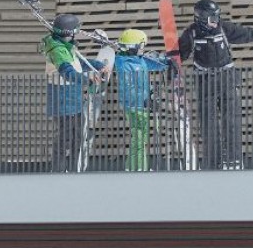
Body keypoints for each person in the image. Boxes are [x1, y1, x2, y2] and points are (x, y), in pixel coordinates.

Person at [179, 0, 253, 169]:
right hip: (205, 82)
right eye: (213, 19)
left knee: (231, 121)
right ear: (201, 19)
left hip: (227, 78)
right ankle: (213, 162)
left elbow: (252, 34)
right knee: (208, 124)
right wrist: (169, 65)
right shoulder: (192, 33)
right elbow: (179, 54)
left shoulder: (224, 28)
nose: (216, 22)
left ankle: (234, 160)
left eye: (217, 18)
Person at [42, 12, 107, 172]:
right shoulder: (58, 51)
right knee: (64, 139)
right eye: (76, 30)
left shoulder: (66, 47)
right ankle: (58, 170)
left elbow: (78, 64)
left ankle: (73, 169)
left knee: (77, 137)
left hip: (74, 100)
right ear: (69, 32)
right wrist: (88, 79)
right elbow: (68, 73)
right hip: (63, 100)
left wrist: (97, 65)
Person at [111, 28, 169, 172]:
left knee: (140, 139)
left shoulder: (139, 60)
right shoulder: (124, 64)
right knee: (139, 139)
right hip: (133, 106)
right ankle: (138, 169)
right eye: (142, 46)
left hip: (141, 105)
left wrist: (168, 61)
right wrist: (145, 100)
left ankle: (133, 168)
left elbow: (156, 64)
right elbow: (129, 88)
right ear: (134, 47)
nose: (143, 49)